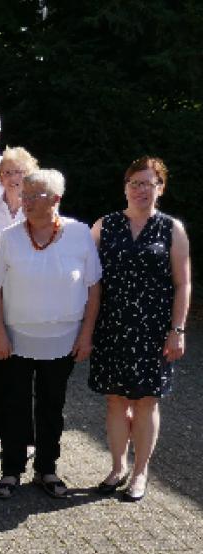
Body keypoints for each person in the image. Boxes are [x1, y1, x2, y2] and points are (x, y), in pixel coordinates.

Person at [0, 169, 101, 500]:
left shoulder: (80, 234)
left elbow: (94, 288)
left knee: (52, 406)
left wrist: (86, 334)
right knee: (14, 406)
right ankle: (11, 471)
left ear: (55, 199)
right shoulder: (9, 237)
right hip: (16, 339)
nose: (24, 202)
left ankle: (46, 469)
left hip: (63, 339)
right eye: (23, 195)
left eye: (32, 196)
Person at [89, 156, 191, 502]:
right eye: (135, 183)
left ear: (160, 188)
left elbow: (183, 284)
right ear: (125, 187)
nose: (141, 190)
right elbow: (88, 279)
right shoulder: (104, 226)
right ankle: (118, 467)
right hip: (112, 327)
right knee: (115, 401)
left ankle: (140, 473)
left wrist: (178, 329)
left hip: (153, 332)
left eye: (149, 183)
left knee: (146, 402)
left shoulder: (172, 229)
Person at [0, 147, 39, 457]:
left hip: (29, 299)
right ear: (0, 177)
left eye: (20, 172)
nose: (14, 178)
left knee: (25, 373)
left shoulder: (38, 210)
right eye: (8, 172)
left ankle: (26, 437)